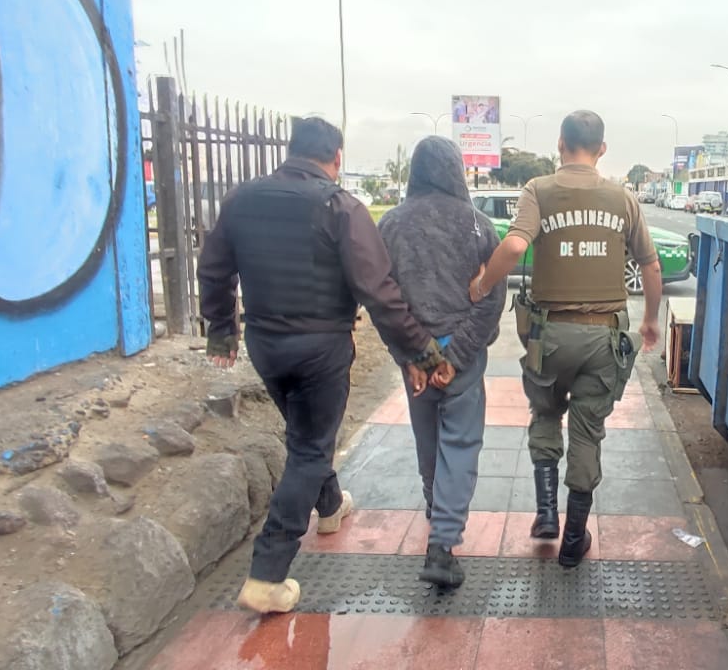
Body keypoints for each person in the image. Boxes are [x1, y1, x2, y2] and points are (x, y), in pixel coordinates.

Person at [198, 117, 452, 613]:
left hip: (265, 344)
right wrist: (421, 350)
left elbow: (214, 268)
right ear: (336, 157)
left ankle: (330, 506)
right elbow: (377, 290)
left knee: (305, 435)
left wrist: (221, 328)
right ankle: (267, 573)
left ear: (291, 150)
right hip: (320, 346)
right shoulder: (340, 206)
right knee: (312, 448)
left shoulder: (241, 199)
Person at [468, 110, 662, 568]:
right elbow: (650, 266)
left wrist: (481, 286)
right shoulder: (623, 198)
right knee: (587, 433)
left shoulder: (538, 190)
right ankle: (574, 539)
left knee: (545, 413)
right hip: (603, 338)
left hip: (549, 335)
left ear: (560, 143)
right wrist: (651, 320)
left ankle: (545, 515)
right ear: (603, 149)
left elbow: (516, 245)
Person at [378, 136, 506, 588]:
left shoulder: (390, 225)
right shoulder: (478, 226)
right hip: (462, 357)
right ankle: (443, 543)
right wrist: (457, 356)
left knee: (427, 438)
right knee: (460, 443)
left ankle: (435, 508)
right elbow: (492, 299)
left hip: (414, 355)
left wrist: (409, 355)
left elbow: (382, 298)